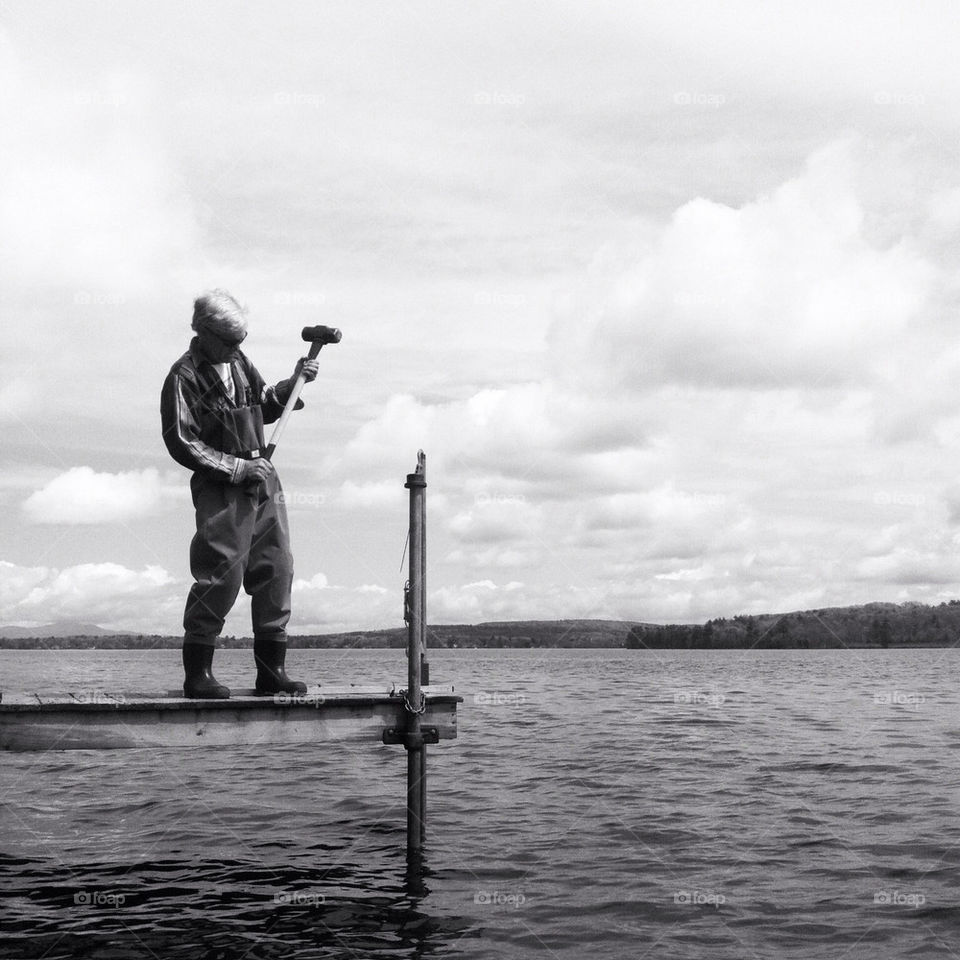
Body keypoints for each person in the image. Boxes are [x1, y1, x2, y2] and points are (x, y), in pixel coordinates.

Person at [160, 289, 319, 699]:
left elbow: (266, 404)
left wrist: (294, 382)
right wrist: (237, 468)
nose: (237, 347)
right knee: (222, 572)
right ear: (203, 331)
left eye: (242, 339)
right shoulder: (183, 377)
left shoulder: (240, 362)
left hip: (264, 477)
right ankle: (198, 675)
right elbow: (182, 441)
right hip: (221, 486)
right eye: (231, 341)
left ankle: (271, 673)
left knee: (277, 566)